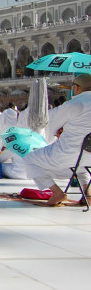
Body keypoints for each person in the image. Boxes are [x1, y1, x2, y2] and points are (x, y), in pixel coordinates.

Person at [23, 74, 91, 206]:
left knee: (30, 159)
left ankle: (57, 192)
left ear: (77, 88)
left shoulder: (74, 103)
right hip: (89, 156)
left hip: (68, 153)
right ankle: (87, 194)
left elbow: (52, 125)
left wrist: (60, 132)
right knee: (82, 165)